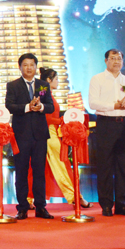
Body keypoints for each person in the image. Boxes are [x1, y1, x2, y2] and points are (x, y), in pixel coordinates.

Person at [88, 49, 125, 217]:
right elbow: (93, 104)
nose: (116, 62)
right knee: (104, 166)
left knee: (122, 167)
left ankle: (121, 204)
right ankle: (105, 204)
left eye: (119, 59)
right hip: (105, 124)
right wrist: (114, 106)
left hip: (124, 125)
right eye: (113, 58)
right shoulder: (97, 79)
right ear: (105, 61)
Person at [34, 67, 92, 208]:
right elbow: (44, 116)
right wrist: (60, 121)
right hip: (48, 133)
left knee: (42, 167)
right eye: (56, 79)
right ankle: (75, 197)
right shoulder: (42, 92)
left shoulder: (46, 92)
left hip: (50, 132)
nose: (58, 81)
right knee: (62, 164)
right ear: (48, 80)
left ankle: (31, 199)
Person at [5, 53, 55, 220]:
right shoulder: (13, 85)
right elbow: (9, 106)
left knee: (40, 172)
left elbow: (50, 106)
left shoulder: (43, 85)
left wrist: (41, 107)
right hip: (21, 135)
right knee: (21, 172)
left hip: (40, 135)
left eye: (32, 65)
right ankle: (22, 208)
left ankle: (41, 207)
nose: (28, 68)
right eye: (25, 65)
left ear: (35, 67)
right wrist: (27, 107)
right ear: (20, 67)